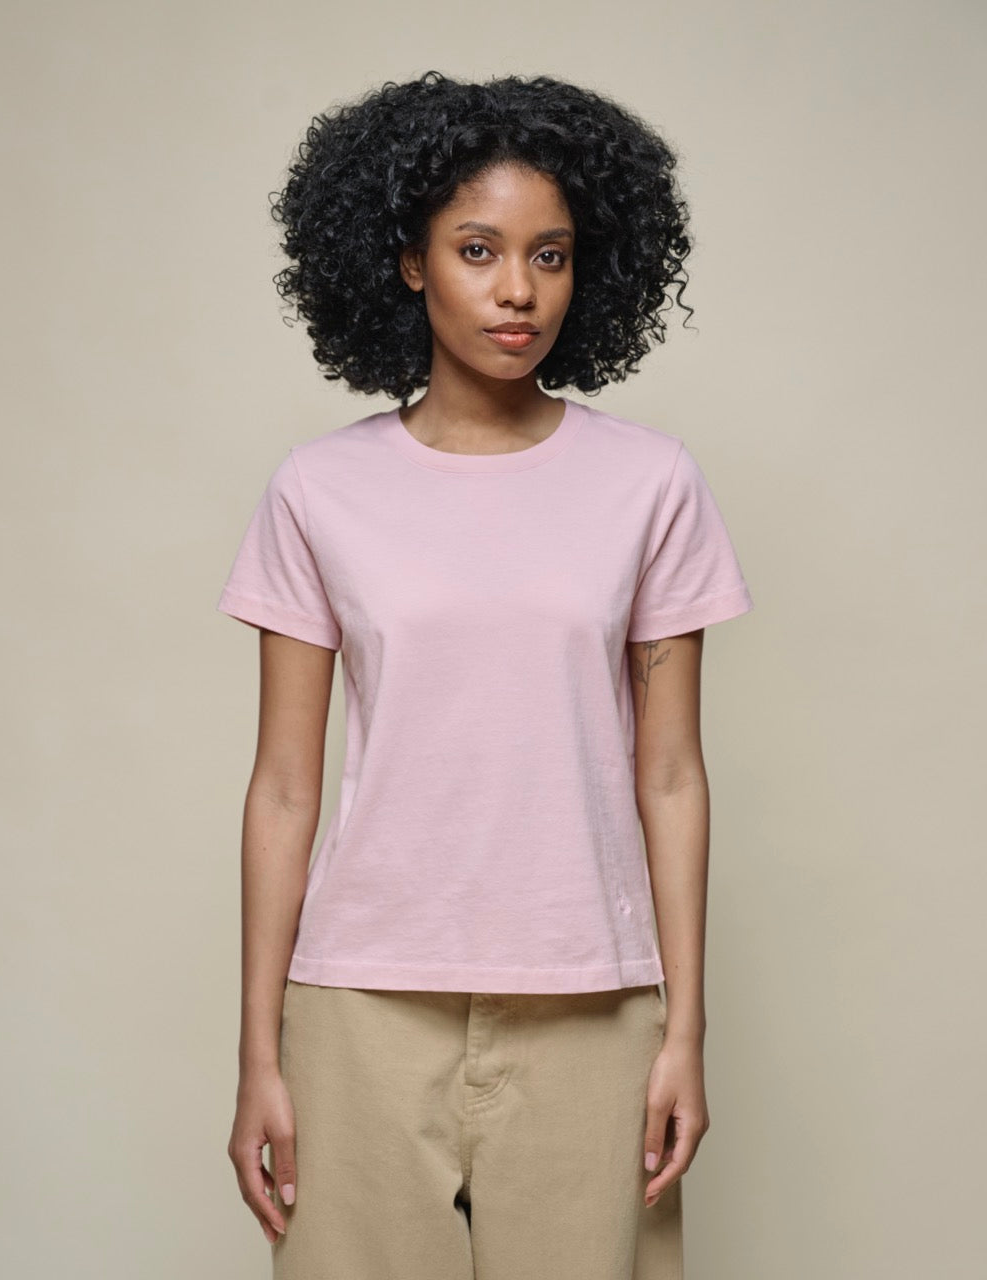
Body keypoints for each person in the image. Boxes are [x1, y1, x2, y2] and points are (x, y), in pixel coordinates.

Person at [216, 70, 754, 1280]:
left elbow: (671, 773)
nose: (518, 289)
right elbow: (283, 790)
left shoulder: (650, 483)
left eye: (551, 254)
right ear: (408, 262)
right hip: (359, 1003)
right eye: (478, 248)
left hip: (594, 1002)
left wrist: (686, 1030)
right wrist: (261, 1051)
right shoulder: (318, 490)